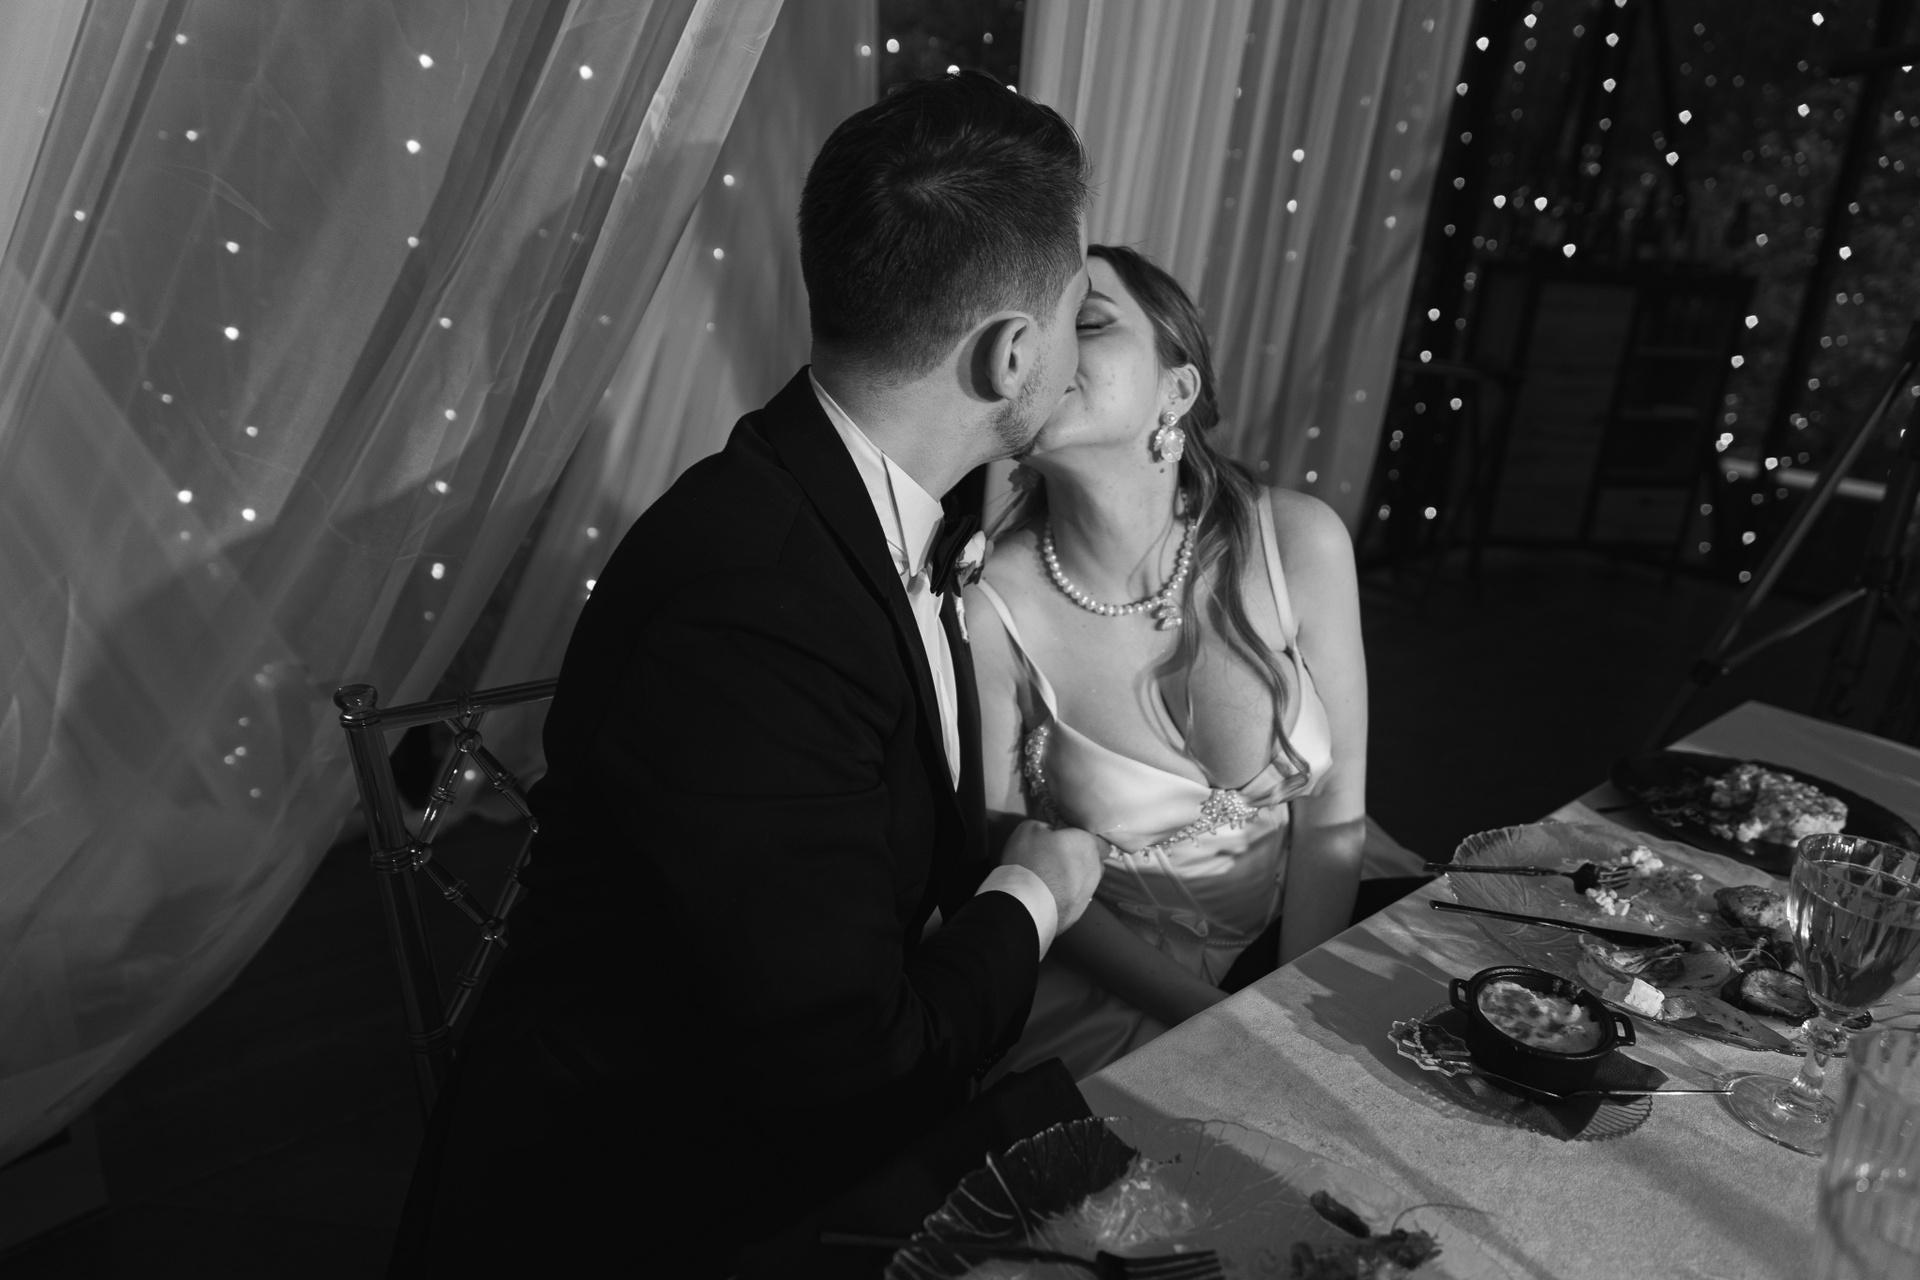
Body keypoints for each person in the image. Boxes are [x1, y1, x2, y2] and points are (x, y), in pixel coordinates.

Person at [387, 73, 1106, 1276]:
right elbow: (857, 1072)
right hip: (663, 1211)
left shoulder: (847, 505)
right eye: (1080, 311)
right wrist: (1033, 892)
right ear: (1011, 352)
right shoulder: (758, 609)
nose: (1076, 358)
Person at [965, 245, 1369, 1082]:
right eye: (1032, 333)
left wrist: (1297, 1008)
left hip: (1294, 959)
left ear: (1176, 390)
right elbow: (1013, 865)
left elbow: (1334, 809)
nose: (1049, 351)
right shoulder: (988, 610)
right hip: (1103, 1012)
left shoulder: (1300, 542)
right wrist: (1225, 1026)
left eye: (1087, 323)